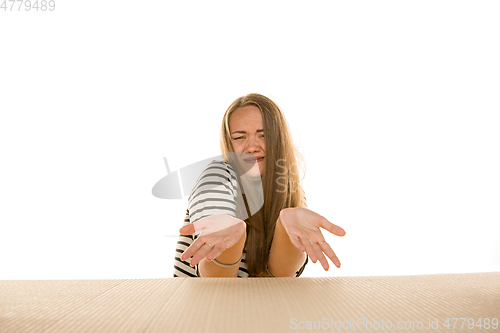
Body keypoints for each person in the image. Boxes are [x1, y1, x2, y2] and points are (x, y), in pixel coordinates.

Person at [173, 93, 346, 277]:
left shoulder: (289, 190)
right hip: (204, 304)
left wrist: (287, 236)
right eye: (240, 137)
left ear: (278, 140)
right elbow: (214, 283)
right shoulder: (217, 176)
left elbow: (276, 282)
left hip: (261, 305)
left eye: (262, 135)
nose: (252, 147)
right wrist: (230, 239)